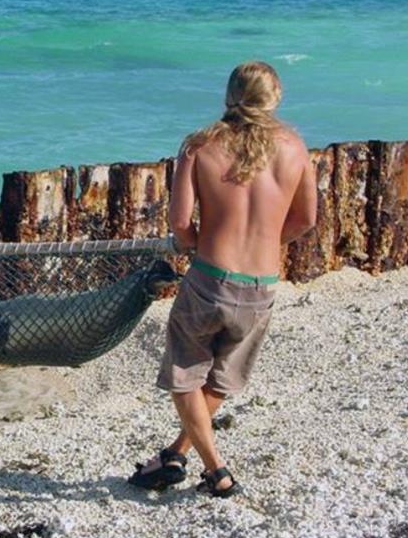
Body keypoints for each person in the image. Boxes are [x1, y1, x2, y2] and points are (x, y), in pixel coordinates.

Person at [128, 61, 317, 497]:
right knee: (219, 380)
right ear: (276, 97)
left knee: (184, 375)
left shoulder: (199, 146)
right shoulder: (295, 147)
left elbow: (179, 224)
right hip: (262, 283)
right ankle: (174, 455)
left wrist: (199, 243)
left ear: (229, 94)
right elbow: (306, 219)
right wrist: (270, 241)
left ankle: (216, 471)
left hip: (211, 277)